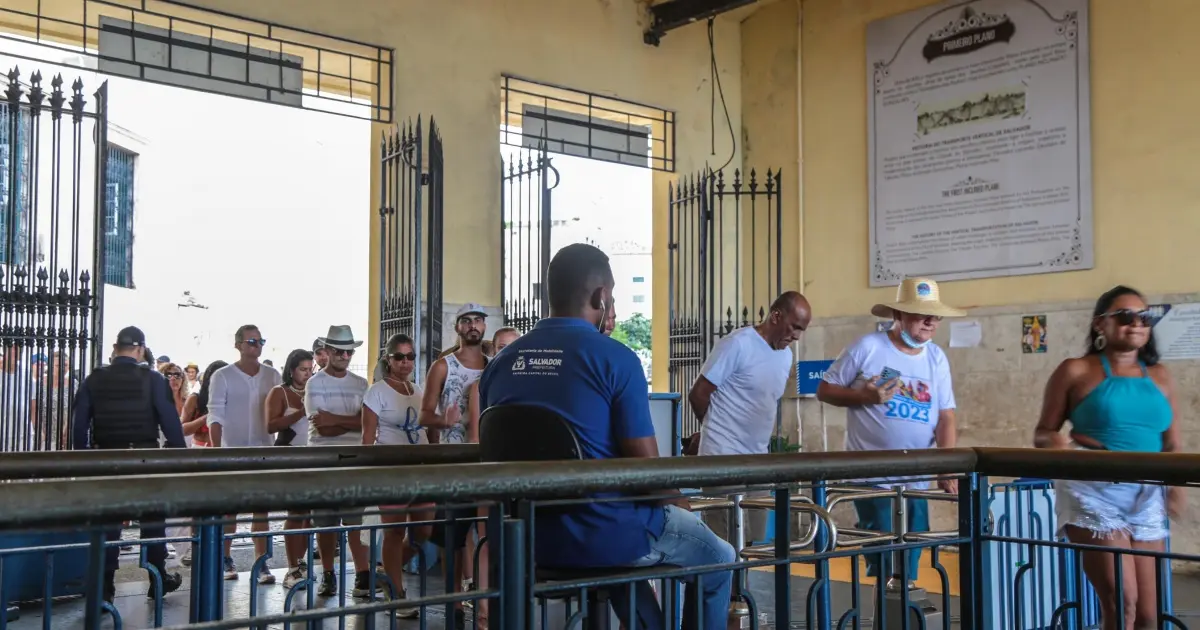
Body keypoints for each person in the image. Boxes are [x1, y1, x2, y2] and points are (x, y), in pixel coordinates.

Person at [480, 243, 735, 630]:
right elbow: (647, 470)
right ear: (602, 296)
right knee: (719, 558)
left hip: (523, 538)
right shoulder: (616, 359)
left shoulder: (501, 363)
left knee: (621, 559)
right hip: (605, 533)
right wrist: (681, 506)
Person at [1034, 286, 1181, 630]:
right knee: (1123, 602)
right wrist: (1057, 444)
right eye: (1126, 316)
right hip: (1093, 489)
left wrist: (1176, 488)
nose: (1137, 324)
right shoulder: (1075, 370)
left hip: (1147, 491)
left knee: (1148, 615)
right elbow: (1043, 431)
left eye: (1144, 317)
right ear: (1100, 323)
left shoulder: (1160, 375)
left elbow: (1172, 443)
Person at [816, 277, 962, 590]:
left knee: (912, 550)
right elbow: (825, 390)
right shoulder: (867, 347)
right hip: (873, 475)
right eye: (922, 314)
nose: (930, 322)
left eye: (935, 316)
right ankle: (885, 608)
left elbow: (946, 416)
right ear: (898, 314)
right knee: (883, 552)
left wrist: (946, 464)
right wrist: (864, 396)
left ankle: (902, 605)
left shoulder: (936, 357)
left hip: (916, 477)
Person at [71, 326, 185, 603]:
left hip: (106, 461)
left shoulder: (94, 379)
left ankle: (103, 591)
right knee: (153, 523)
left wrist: (85, 460)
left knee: (107, 528)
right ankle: (157, 580)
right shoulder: (153, 379)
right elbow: (171, 424)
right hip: (144, 461)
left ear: (115, 348)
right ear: (141, 350)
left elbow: (78, 427)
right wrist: (178, 456)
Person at [686, 291, 810, 545]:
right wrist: (713, 430)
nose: (797, 336)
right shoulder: (738, 344)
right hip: (723, 459)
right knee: (723, 542)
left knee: (751, 540)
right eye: (794, 327)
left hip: (757, 461)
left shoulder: (786, 356)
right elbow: (698, 394)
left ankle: (742, 574)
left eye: (802, 330)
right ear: (776, 316)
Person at [304, 325, 379, 598]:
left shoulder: (360, 384)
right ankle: (328, 573)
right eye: (339, 351)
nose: (344, 356)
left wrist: (336, 420)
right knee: (325, 522)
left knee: (356, 521)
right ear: (327, 351)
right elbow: (322, 427)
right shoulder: (315, 383)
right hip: (323, 462)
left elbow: (367, 423)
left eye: (349, 352)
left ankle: (362, 574)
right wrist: (354, 422)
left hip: (354, 461)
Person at [363, 333, 431, 617]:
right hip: (390, 470)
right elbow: (368, 438)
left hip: (420, 469)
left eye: (410, 356)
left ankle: (386, 571)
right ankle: (397, 592)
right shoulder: (376, 392)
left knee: (424, 529)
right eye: (399, 357)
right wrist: (368, 472)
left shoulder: (418, 389)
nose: (405, 362)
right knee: (394, 530)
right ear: (388, 359)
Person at [207, 324, 281, 583]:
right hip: (232, 451)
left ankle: (261, 561)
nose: (256, 345)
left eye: (260, 341)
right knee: (230, 510)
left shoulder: (272, 375)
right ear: (238, 345)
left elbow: (280, 411)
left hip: (263, 451)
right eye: (251, 341)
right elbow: (215, 414)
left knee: (262, 510)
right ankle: (226, 558)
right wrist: (217, 452)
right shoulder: (223, 376)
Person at [265, 349, 315, 588]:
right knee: (295, 512)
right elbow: (271, 425)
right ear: (292, 370)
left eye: (310, 369)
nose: (308, 374)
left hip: (313, 458)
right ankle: (292, 566)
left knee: (309, 515)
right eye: (303, 369)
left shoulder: (315, 390)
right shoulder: (280, 392)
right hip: (291, 458)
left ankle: (301, 561)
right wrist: (301, 412)